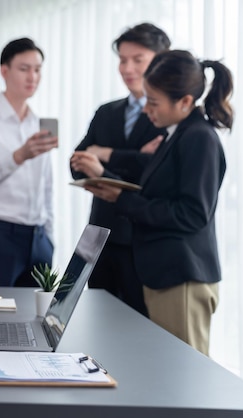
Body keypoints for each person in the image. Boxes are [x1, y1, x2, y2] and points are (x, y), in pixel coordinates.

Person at [77, 49, 232, 356]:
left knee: (184, 378)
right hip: (164, 275)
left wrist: (121, 198)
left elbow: (191, 214)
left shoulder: (198, 138)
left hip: (181, 277)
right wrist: (110, 184)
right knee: (168, 375)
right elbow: (156, 195)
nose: (146, 109)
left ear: (185, 102)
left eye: (153, 101)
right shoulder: (176, 134)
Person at [69, 23, 171, 317]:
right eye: (123, 60)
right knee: (99, 325)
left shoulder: (168, 114)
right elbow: (77, 164)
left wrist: (104, 157)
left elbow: (155, 175)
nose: (127, 67)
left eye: (137, 59)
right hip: (99, 238)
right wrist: (136, 156)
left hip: (140, 242)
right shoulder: (106, 112)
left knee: (139, 332)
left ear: (161, 61)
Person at [0, 37, 57, 287]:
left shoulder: (38, 123)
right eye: (24, 69)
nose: (32, 77)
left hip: (38, 238)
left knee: (36, 319)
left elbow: (46, 185)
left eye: (37, 70)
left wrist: (49, 237)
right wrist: (19, 155)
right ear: (4, 71)